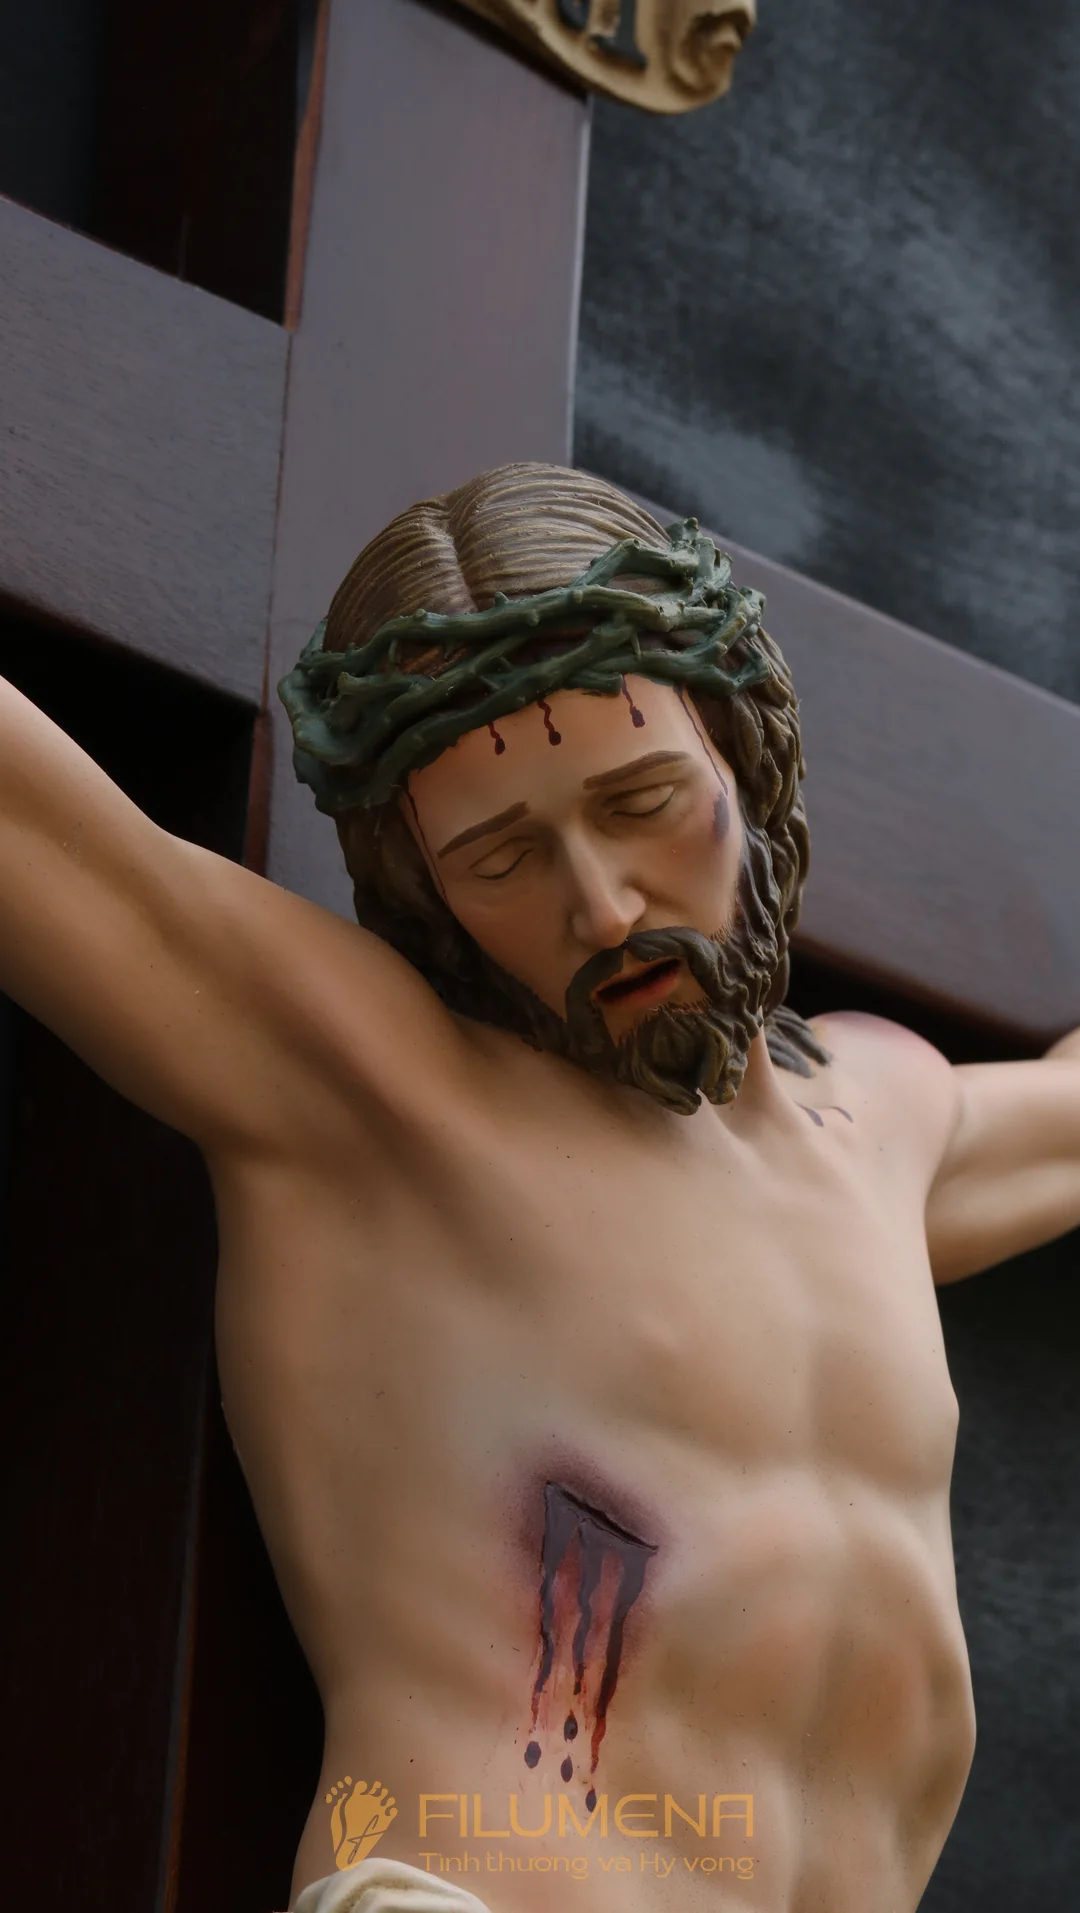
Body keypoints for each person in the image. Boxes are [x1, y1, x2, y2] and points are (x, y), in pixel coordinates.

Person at [2, 463, 1078, 1913]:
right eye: (500, 857)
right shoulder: (383, 1094)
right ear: (423, 889)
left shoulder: (881, 1122)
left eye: (642, 801)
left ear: (744, 754)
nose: (603, 905)